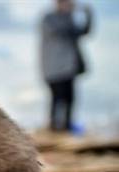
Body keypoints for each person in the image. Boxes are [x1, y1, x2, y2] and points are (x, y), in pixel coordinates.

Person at [40, 0, 92, 132]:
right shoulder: (49, 18)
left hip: (68, 69)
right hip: (53, 69)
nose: (69, 5)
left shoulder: (68, 19)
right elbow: (64, 32)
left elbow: (84, 32)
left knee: (70, 99)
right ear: (58, 3)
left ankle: (66, 127)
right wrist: (71, 14)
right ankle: (54, 128)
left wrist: (88, 14)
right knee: (58, 99)